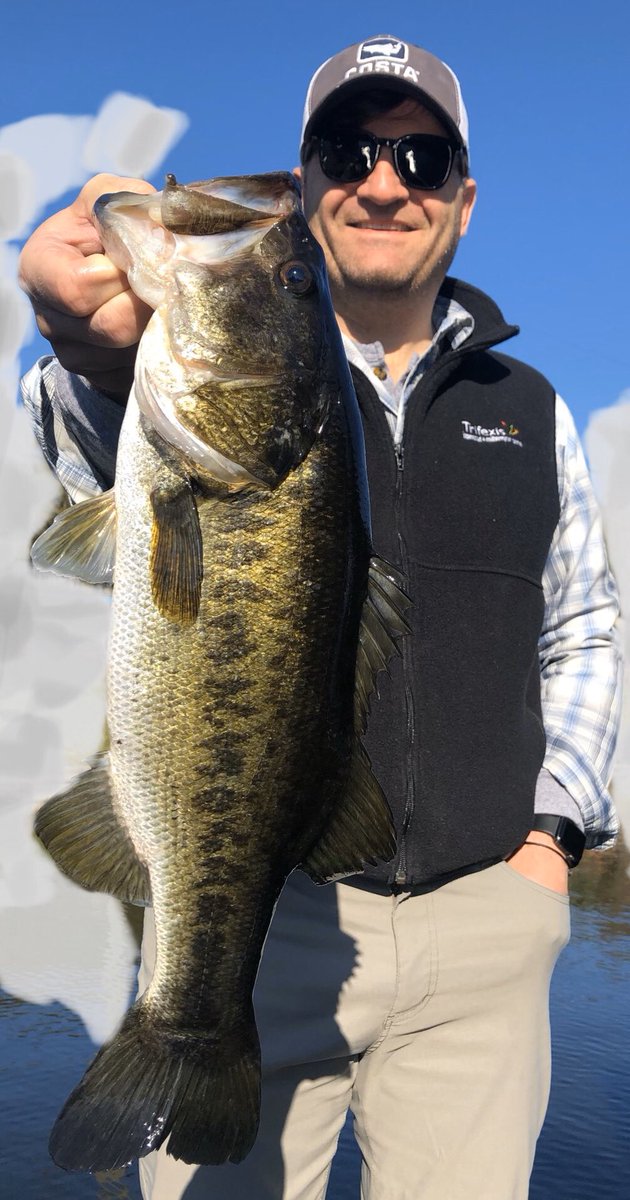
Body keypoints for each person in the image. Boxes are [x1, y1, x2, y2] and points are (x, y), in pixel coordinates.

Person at [19, 33, 621, 1200]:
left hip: (482, 935)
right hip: (268, 913)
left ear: (464, 197)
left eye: (424, 157)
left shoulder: (532, 409)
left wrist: (551, 846)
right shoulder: (196, 365)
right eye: (350, 150)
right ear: (303, 185)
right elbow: (100, 446)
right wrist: (86, 351)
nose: (386, 181)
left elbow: (586, 627)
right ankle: (188, 1024)